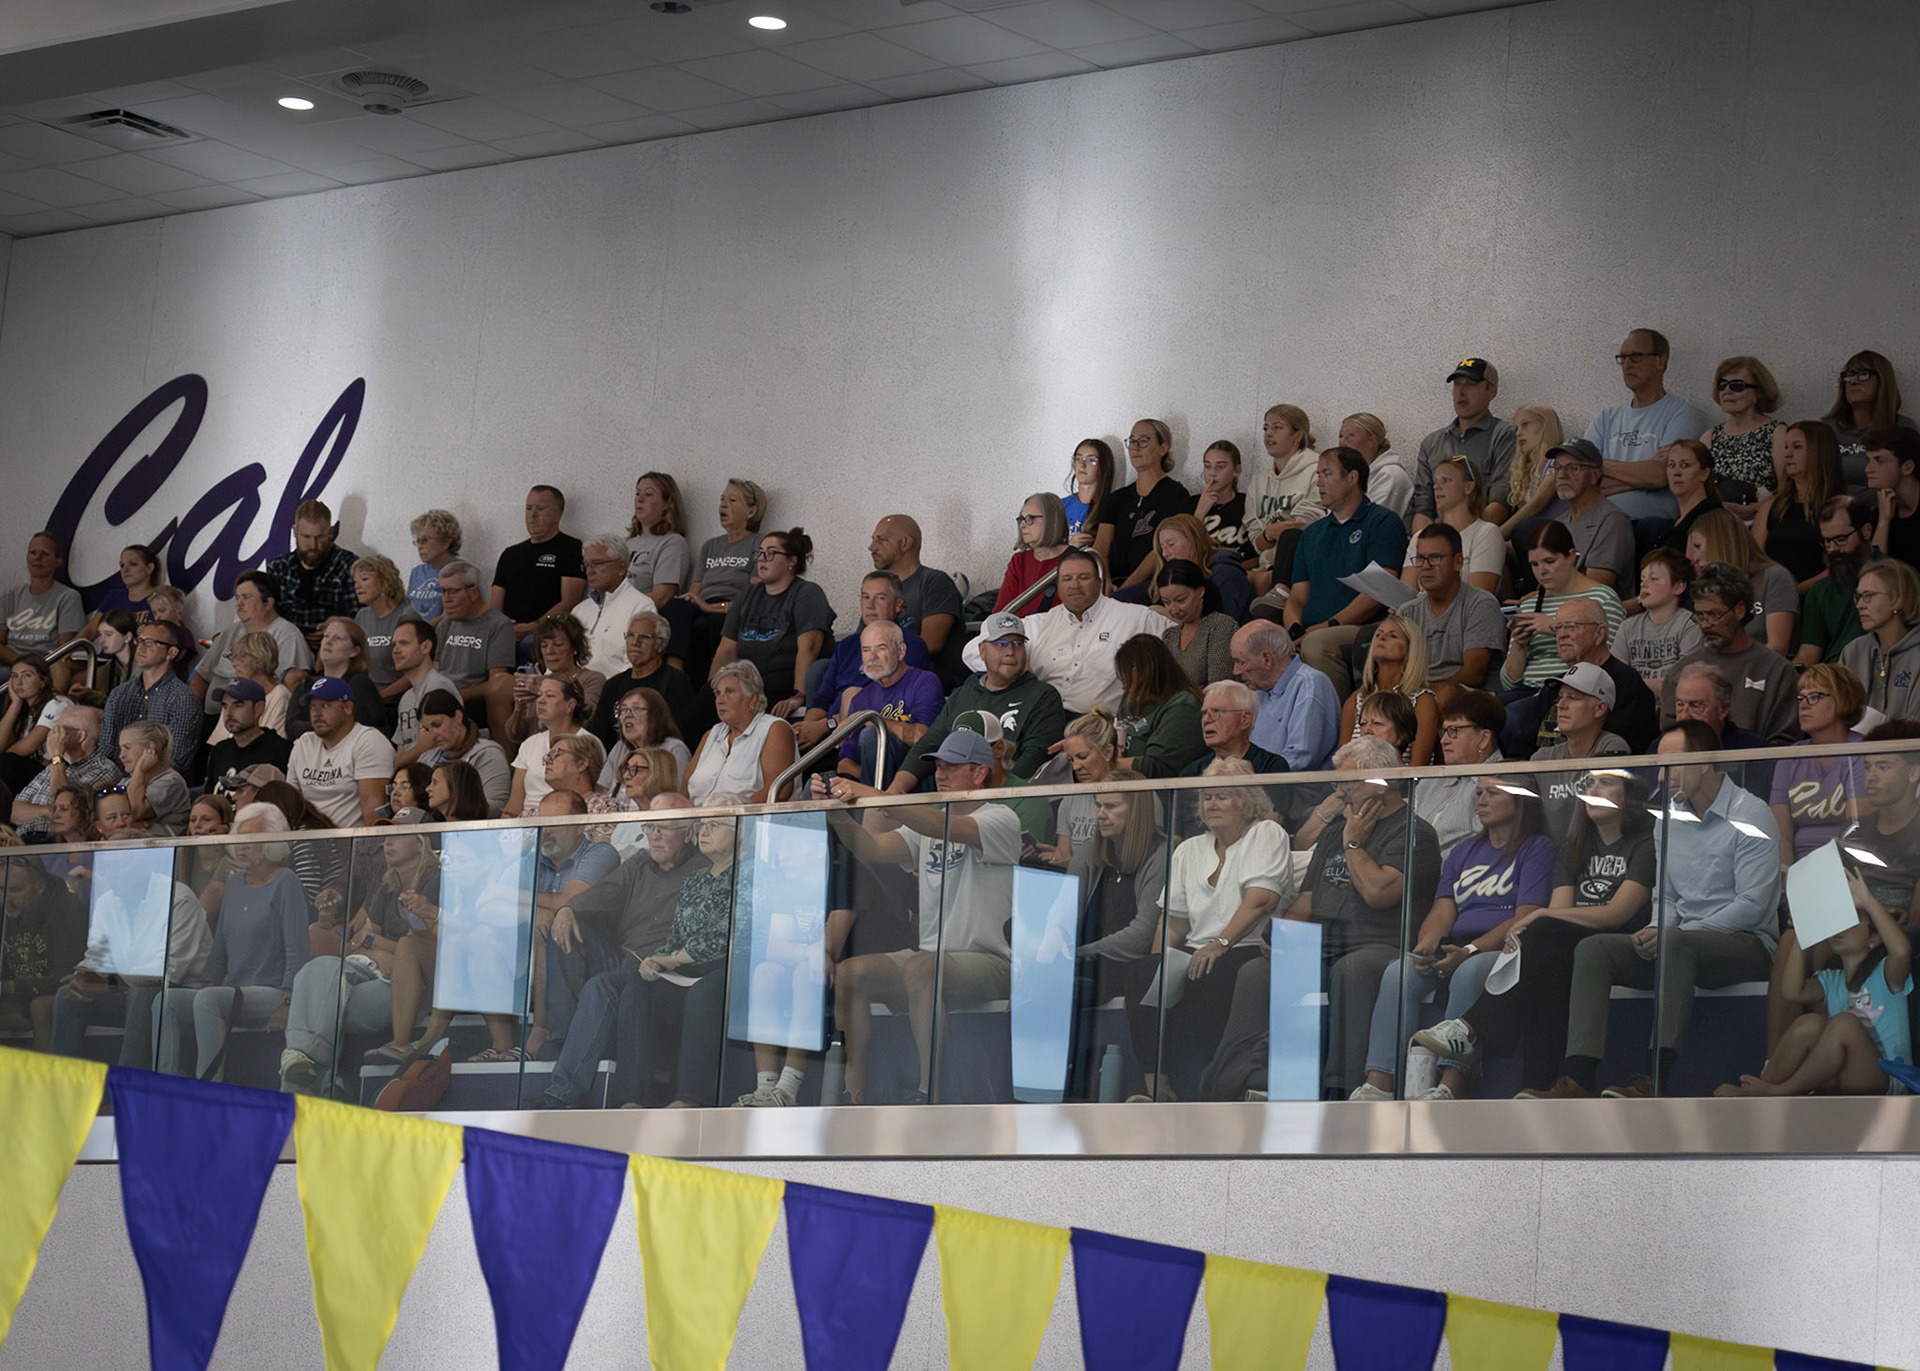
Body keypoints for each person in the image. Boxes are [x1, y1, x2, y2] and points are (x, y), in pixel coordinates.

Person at [1521, 722, 1780, 1099]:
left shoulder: (1752, 814)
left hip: (1746, 944)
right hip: (1680, 941)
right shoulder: (1669, 819)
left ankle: (1653, 1077)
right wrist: (1657, 927)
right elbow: (1667, 896)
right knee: (1594, 949)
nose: (1660, 775)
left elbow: (1753, 906)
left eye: (1669, 763)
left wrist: (1677, 933)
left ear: (1703, 763)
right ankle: (1577, 1078)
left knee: (1674, 942)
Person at [1416, 769, 1656, 1097]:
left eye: (1606, 782)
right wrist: (1543, 919)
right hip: (1570, 942)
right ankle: (1538, 1087)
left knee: (1541, 935)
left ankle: (1470, 1029)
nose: (1593, 789)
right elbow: (1559, 912)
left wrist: (1541, 916)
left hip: (1622, 943)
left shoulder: (1645, 843)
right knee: (1545, 962)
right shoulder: (1574, 845)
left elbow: (1616, 915)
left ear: (1628, 797)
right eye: (1588, 783)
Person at [822, 731, 1018, 1104]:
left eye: (952, 767)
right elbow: (873, 847)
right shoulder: (929, 820)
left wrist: (869, 793)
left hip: (992, 962)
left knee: (921, 968)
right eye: (938, 766)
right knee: (850, 974)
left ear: (979, 774)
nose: (941, 775)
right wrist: (838, 814)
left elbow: (939, 826)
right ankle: (854, 1096)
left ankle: (929, 1094)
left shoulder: (1001, 816)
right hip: (931, 959)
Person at [1349, 776, 1551, 1100]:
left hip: (1505, 951)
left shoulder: (1537, 847)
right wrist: (1427, 943)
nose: (1481, 801)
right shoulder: (1464, 851)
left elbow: (1526, 915)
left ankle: (1450, 1084)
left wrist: (1471, 950)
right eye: (1479, 793)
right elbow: (1444, 908)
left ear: (1520, 800)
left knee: (1470, 971)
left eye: (1492, 794)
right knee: (1399, 971)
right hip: (1457, 945)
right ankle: (1379, 1085)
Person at [1125, 760, 1294, 1100]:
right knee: (1142, 975)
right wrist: (1162, 970)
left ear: (1247, 801)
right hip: (1196, 951)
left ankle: (1202, 1092)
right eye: (1206, 797)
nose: (1211, 804)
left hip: (1247, 946)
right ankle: (1156, 1084)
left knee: (1210, 975)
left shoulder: (1266, 833)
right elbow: (1173, 924)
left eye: (1222, 796)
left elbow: (1261, 901)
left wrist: (1220, 943)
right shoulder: (1188, 849)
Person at [1285, 736, 1443, 1096]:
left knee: (1354, 968)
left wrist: (1354, 844)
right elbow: (1307, 900)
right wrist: (1280, 938)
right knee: (1258, 971)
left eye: (1348, 783)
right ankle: (1262, 1083)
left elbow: (1378, 893)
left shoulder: (1414, 832)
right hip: (1327, 942)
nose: (1340, 793)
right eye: (1337, 783)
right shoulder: (1333, 832)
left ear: (1379, 781)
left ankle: (1345, 1089)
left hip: (1382, 944)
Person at [537, 795, 705, 1108]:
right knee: (567, 933)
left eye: (663, 828)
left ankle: (562, 1094)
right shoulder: (640, 862)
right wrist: (569, 909)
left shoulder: (701, 870)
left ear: (688, 831)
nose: (653, 834)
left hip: (664, 967)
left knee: (601, 986)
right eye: (650, 827)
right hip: (623, 957)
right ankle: (562, 1039)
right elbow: (604, 892)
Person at [1718, 869, 1911, 1099]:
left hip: (1885, 1080)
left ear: (1873, 938)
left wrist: (1868, 902)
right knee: (1809, 1023)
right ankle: (1758, 1094)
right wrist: (1803, 931)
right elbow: (1791, 992)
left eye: (1851, 920)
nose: (1841, 927)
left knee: (1845, 1024)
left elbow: (1901, 951)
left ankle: (1778, 1092)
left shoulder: (1886, 973)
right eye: (1838, 920)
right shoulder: (1831, 980)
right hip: (1839, 1075)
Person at [152, 802, 309, 1081]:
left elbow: (298, 951)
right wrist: (204, 982)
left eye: (250, 840)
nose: (241, 846)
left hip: (272, 992)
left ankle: (210, 1088)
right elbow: (220, 947)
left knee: (209, 1001)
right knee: (165, 1001)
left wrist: (288, 1001)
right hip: (233, 992)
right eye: (239, 838)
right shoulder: (234, 884)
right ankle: (167, 1082)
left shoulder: (287, 882)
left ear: (272, 843)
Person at [280, 825, 438, 1093]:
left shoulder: (433, 881)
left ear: (421, 843)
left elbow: (418, 945)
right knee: (316, 968)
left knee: (325, 1001)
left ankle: (303, 1068)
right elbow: (357, 944)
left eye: (397, 837)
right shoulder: (388, 886)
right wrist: (376, 948)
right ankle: (318, 1070)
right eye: (386, 838)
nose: (387, 843)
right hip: (373, 968)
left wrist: (379, 945)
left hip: (408, 987)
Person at [893, 610, 1066, 792]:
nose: (1010, 651)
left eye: (1017, 643)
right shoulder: (963, 695)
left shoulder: (1043, 695)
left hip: (1009, 799)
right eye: (1001, 643)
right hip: (956, 796)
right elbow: (927, 745)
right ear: (982, 651)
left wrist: (990, 799)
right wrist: (894, 791)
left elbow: (1034, 758)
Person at [1284, 446, 1409, 692]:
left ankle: (1340, 722)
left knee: (1318, 644)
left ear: (1352, 478)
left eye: (1326, 474)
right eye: (1317, 474)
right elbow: (1297, 596)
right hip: (1310, 630)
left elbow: (1380, 588)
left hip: (1363, 629)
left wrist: (1329, 625)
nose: (1318, 482)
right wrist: (1294, 629)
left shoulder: (1382, 521)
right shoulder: (1312, 533)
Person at [1002, 547, 1163, 716]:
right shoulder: (1039, 623)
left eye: (1083, 577)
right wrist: (1016, 662)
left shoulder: (1135, 617)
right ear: (1058, 585)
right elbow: (977, 647)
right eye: (1067, 578)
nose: (1075, 585)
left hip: (1102, 725)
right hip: (1044, 720)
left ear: (1099, 582)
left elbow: (1182, 639)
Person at [1659, 563, 1799, 743]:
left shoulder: (1778, 671)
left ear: (1740, 610)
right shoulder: (1681, 672)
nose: (1705, 624)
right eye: (1700, 615)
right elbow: (1671, 739)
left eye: (1714, 614)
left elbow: (1786, 744)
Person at [1506, 597, 1658, 758]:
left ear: (1599, 633)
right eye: (1557, 627)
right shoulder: (1555, 686)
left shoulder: (1626, 683)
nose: (1561, 635)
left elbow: (1630, 753)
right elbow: (1523, 747)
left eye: (1571, 627)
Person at [796, 572, 930, 752]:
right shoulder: (847, 646)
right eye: (865, 597)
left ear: (898, 605)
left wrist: (826, 725)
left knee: (851, 694)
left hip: (869, 735)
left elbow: (884, 701)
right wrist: (807, 731)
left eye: (880, 598)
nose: (870, 605)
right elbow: (821, 700)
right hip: (828, 736)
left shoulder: (907, 645)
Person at [1586, 327, 1709, 521]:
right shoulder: (1605, 417)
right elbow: (1582, 473)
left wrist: (1600, 465)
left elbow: (1660, 474)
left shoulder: (1683, 415)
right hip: (1599, 524)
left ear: (1660, 361)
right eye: (1623, 357)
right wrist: (1641, 477)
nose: (1627, 364)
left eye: (1635, 357)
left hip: (1650, 528)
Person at [713, 526, 835, 718]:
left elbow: (809, 648)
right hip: (743, 681)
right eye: (759, 553)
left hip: (779, 682)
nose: (761, 559)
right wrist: (714, 687)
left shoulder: (807, 593)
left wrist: (798, 695)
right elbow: (726, 648)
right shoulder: (747, 595)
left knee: (746, 708)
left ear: (791, 561)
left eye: (770, 554)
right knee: (703, 708)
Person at [1497, 522, 1625, 694]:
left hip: (1571, 692)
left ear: (1572, 556)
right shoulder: (1529, 605)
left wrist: (1556, 627)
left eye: (1549, 561)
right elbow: (1508, 683)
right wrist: (1520, 645)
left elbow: (1608, 665)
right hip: (1527, 693)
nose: (1542, 571)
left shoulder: (1602, 598)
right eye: (1534, 564)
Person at [665, 476, 765, 671]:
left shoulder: (759, 543)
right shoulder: (710, 546)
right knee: (675, 607)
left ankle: (715, 682)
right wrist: (694, 600)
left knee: (713, 623)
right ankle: (674, 673)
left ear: (751, 511)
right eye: (722, 499)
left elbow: (757, 592)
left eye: (732, 500)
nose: (723, 505)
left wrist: (714, 608)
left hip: (733, 606)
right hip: (703, 603)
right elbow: (696, 588)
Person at [1772, 664, 1866, 867]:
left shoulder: (1862, 752)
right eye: (1801, 698)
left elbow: (1858, 829)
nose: (1803, 705)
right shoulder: (1789, 758)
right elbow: (1782, 835)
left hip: (1850, 867)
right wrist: (1787, 878)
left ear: (1843, 699)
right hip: (1800, 871)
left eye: (1814, 696)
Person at [829, 621, 943, 784]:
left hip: (917, 782)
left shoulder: (924, 681)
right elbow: (844, 765)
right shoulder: (861, 699)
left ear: (901, 651)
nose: (872, 657)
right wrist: (881, 781)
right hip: (879, 784)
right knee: (815, 786)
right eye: (866, 650)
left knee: (871, 734)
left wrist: (869, 718)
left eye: (881, 648)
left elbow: (921, 738)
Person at [1400, 524, 1506, 698]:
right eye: (1420, 559)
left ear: (1458, 562)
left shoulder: (1481, 604)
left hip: (1466, 699)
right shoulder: (1406, 613)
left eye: (1435, 558)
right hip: (1416, 699)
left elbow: (1474, 674)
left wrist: (1426, 696)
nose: (1425, 566)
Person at [1409, 358, 1517, 527]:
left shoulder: (1504, 435)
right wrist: (1422, 547)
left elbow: (1502, 500)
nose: (1461, 392)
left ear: (1491, 390)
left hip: (1479, 537)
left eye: (1470, 384)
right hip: (1436, 539)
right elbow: (1423, 505)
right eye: (1457, 384)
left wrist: (1465, 539)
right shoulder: (1431, 443)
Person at [1093, 418, 1194, 595]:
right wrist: (1105, 582)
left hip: (1150, 584)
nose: (1135, 447)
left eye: (1144, 440)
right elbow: (1101, 546)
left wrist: (1125, 589)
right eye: (1132, 441)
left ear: (1164, 448)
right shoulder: (1117, 498)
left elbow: (1161, 550)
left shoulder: (1176, 495)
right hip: (1109, 584)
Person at [192, 570, 314, 717]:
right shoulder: (231, 631)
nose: (239, 605)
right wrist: (192, 715)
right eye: (237, 598)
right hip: (213, 718)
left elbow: (295, 689)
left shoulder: (288, 635)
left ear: (268, 602)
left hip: (256, 721)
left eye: (246, 597)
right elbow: (201, 677)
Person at [867, 513, 966, 688]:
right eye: (873, 539)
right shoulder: (879, 589)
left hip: (928, 677)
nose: (871, 547)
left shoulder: (935, 582)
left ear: (905, 543)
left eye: (881, 540)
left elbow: (929, 645)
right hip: (885, 675)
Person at [1229, 618, 1340, 774]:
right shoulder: (1257, 691)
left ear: (1266, 659)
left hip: (1296, 791)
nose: (1236, 671)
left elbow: (1300, 759)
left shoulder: (1310, 685)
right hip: (1258, 784)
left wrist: (1247, 775)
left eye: (1240, 662)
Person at [1683, 508, 1798, 657]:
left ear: (1722, 542)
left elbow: (1777, 648)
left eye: (1697, 546)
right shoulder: (1706, 591)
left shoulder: (1774, 577)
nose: (1693, 558)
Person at [288, 677, 397, 828]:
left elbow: (374, 814)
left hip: (350, 844)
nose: (316, 713)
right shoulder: (304, 744)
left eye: (324, 705)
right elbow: (291, 805)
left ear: (347, 707)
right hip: (307, 843)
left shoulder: (369, 742)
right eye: (312, 707)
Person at [686, 659, 796, 805]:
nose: (720, 700)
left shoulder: (773, 729)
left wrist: (727, 816)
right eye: (717, 693)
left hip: (749, 823)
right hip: (701, 824)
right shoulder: (710, 735)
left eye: (729, 692)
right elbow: (685, 791)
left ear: (753, 699)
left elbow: (779, 790)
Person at [587, 610, 699, 753]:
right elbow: (599, 737)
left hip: (657, 759)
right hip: (615, 761)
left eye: (644, 637)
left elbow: (680, 733)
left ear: (661, 644)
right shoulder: (613, 684)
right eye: (631, 635)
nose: (635, 642)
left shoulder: (675, 682)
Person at [1410, 689, 1505, 854]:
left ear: (1483, 739)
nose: (1444, 740)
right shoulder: (1430, 781)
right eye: (1444, 731)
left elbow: (1482, 850)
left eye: (1454, 731)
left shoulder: (1503, 784)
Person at [493, 484, 587, 646]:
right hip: (507, 634)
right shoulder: (510, 554)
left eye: (540, 509)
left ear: (558, 513)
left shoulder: (571, 548)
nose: (533, 515)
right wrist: (502, 629)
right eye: (529, 508)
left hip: (547, 637)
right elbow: (495, 605)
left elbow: (570, 602)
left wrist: (535, 627)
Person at [1340, 614, 1439, 766]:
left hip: (1400, 787)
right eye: (1378, 634)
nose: (1382, 638)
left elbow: (1418, 769)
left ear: (1410, 650)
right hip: (1356, 786)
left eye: (1393, 636)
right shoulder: (1355, 700)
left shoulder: (1422, 701)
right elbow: (1342, 762)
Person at [432, 559, 516, 742]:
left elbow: (498, 684)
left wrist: (460, 695)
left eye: (453, 591)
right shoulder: (445, 624)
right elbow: (436, 670)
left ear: (474, 592)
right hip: (442, 697)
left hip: (473, 700)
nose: (446, 598)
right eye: (442, 591)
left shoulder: (498, 625)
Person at [1752, 421, 1843, 588]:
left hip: (1820, 598)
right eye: (1786, 447)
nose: (1787, 454)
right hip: (1774, 597)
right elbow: (1754, 558)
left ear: (1820, 452)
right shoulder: (1772, 506)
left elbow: (1843, 564)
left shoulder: (1841, 508)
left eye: (1797, 447)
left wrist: (1797, 590)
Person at [260, 499, 357, 652]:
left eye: (320, 537)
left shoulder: (348, 565)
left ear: (331, 532)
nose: (312, 545)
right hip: (286, 650)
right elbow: (268, 618)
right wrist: (295, 637)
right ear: (294, 531)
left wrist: (333, 632)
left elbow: (360, 619)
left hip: (338, 652)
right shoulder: (278, 568)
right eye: (306, 537)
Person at [1244, 403, 1321, 592]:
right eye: (1265, 428)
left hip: (1300, 566)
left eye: (1277, 427)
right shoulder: (1259, 480)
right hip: (1263, 563)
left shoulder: (1317, 470)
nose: (1268, 434)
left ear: (1297, 435)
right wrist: (1268, 534)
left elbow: (1307, 523)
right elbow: (1254, 533)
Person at [1538, 438, 1633, 590]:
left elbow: (1596, 588)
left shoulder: (1612, 519)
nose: (1562, 475)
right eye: (1557, 468)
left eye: (1573, 468)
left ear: (1595, 475)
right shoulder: (1558, 524)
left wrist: (1543, 598)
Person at [9, 707, 118, 838]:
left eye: (60, 730)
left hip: (57, 844)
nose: (52, 735)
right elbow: (13, 811)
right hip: (24, 842)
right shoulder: (53, 768)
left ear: (81, 736)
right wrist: (47, 811)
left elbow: (67, 810)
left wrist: (56, 757)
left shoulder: (103, 768)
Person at [1401, 454, 1501, 593]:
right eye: (1435, 482)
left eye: (1446, 480)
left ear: (1468, 487)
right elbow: (1405, 593)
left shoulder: (1486, 532)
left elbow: (1479, 596)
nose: (1437, 487)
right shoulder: (1420, 536)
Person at [1109, 633, 1205, 777]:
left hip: (1166, 793)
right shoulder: (1131, 698)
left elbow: (1159, 767)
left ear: (1140, 671)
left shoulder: (1183, 705)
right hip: (1129, 789)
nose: (1125, 684)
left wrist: (1105, 764)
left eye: (1127, 676)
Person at [1796, 494, 1875, 667]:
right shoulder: (1820, 591)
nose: (1833, 550)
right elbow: (1808, 654)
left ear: (1866, 531)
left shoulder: (1897, 578)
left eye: (1840, 539)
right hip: (1832, 681)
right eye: (1827, 542)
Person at [1701, 355, 1787, 511]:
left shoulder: (1777, 434)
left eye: (1737, 386)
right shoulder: (1710, 437)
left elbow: (1789, 491)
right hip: (1714, 522)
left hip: (1761, 523)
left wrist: (1755, 509)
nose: (1726, 391)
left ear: (1759, 392)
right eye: (1722, 385)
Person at [506, 612, 605, 749]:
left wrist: (548, 688)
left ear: (575, 648)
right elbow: (514, 736)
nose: (549, 651)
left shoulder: (592, 679)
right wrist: (520, 706)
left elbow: (585, 720)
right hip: (532, 756)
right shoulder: (537, 682)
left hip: (571, 753)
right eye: (544, 645)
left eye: (558, 644)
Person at [1612, 549, 1701, 695]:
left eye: (1654, 579)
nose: (1644, 584)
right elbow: (1616, 680)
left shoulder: (1689, 624)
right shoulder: (1627, 627)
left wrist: (1634, 683)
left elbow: (1683, 685)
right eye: (1642, 579)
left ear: (1679, 587)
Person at [1841, 559, 1920, 721]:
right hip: (1856, 746)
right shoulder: (1852, 652)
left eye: (1868, 596)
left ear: (1897, 598)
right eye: (1858, 597)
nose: (1859, 605)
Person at [504, 674, 591, 818]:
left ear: (570, 705)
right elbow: (512, 808)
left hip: (564, 821)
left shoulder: (587, 743)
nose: (541, 701)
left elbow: (589, 798)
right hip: (526, 825)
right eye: (539, 695)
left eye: (550, 696)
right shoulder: (529, 744)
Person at [284, 616, 384, 740]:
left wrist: (318, 729)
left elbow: (360, 727)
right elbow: (291, 726)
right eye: (326, 636)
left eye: (337, 638)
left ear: (354, 651)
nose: (328, 642)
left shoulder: (360, 684)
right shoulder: (306, 685)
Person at [415, 690, 511, 817]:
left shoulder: (488, 754)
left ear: (458, 716)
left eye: (437, 725)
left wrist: (451, 805)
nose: (432, 736)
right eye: (427, 729)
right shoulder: (426, 759)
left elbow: (497, 808)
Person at [573, 532, 656, 678]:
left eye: (597, 563)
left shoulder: (641, 606)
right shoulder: (580, 610)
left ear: (621, 567)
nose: (590, 571)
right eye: (586, 564)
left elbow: (635, 665)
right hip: (570, 691)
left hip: (612, 692)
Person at [1827, 351, 1914, 490]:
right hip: (1832, 508)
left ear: (1883, 381)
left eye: (1863, 375)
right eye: (1848, 375)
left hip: (1885, 508)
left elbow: (1908, 485)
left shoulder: (1901, 428)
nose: (1853, 381)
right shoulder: (1828, 429)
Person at [351, 553, 424, 717]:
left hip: (400, 703)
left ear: (385, 581)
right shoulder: (362, 616)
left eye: (364, 579)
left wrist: (378, 697)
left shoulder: (406, 615)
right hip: (368, 697)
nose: (357, 586)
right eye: (355, 581)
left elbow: (417, 672)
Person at [0, 531, 83, 671]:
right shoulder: (11, 595)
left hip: (43, 668)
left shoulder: (68, 597)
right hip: (10, 664)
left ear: (58, 561)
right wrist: (21, 663)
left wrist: (33, 667)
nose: (37, 558)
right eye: (33, 552)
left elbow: (65, 652)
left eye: (45, 554)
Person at [1178, 680, 1287, 777]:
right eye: (1204, 712)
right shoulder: (1192, 773)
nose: (1206, 720)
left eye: (1216, 711)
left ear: (1245, 719)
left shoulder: (1271, 768)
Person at [1157, 558, 1236, 687]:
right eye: (1167, 602)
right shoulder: (1169, 636)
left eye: (1181, 600)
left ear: (1200, 591)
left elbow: (1220, 687)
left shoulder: (1220, 626)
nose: (1174, 609)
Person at [387, 619, 458, 760]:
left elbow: (431, 745)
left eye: (404, 643)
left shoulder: (437, 687)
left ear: (426, 647)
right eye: (394, 645)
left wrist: (397, 767)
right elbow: (402, 748)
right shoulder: (406, 698)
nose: (395, 650)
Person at [1646, 438, 1723, 564]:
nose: (1676, 472)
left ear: (1704, 473)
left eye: (1684, 465)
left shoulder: (1712, 517)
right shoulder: (1675, 523)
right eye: (1671, 465)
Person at [599, 686, 691, 790]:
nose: (627, 715)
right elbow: (603, 790)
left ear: (655, 715)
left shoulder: (674, 749)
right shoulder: (620, 747)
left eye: (636, 708)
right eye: (623, 709)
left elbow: (678, 795)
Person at [992, 492, 1070, 616]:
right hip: (1018, 632)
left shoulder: (1076, 560)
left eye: (1030, 519)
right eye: (1021, 519)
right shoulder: (1019, 561)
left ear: (1051, 520)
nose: (1022, 525)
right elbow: (1000, 612)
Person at [0, 654, 67, 794]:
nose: (19, 682)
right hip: (28, 769)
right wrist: (15, 704)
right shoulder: (23, 708)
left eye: (27, 675)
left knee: (7, 763)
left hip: (54, 768)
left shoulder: (57, 704)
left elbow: (27, 747)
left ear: (43, 681)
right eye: (14, 676)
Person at [1497, 403, 1565, 538]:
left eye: (1525, 424)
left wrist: (1497, 535)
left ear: (1546, 426)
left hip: (1553, 540)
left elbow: (1537, 504)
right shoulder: (1524, 470)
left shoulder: (1558, 461)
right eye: (1516, 428)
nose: (1518, 433)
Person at [625, 471, 692, 604]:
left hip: (640, 618)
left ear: (667, 503)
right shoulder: (626, 544)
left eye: (648, 494)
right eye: (638, 493)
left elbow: (661, 596)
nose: (640, 499)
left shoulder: (672, 543)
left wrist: (620, 613)